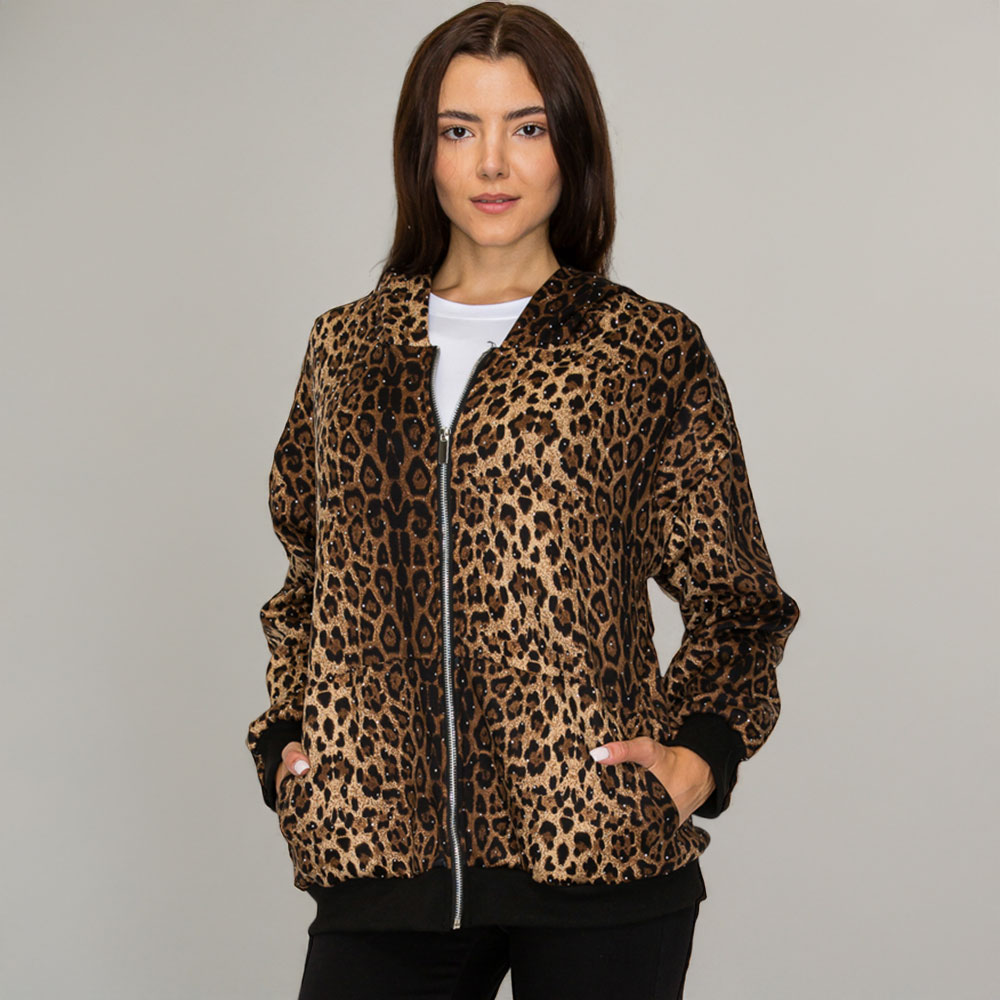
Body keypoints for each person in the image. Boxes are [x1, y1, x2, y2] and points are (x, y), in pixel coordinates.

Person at [245, 4, 800, 998]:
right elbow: (308, 580)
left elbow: (738, 600)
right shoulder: (347, 349)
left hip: (599, 858)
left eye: (528, 127)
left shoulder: (641, 349)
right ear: (422, 152)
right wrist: (288, 738)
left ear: (570, 146)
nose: (493, 162)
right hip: (383, 859)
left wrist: (699, 756)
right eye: (460, 129)